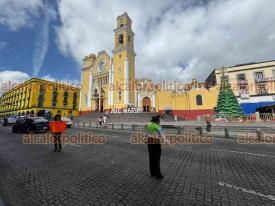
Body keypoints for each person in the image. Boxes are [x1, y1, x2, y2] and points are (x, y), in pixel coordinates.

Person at [146, 115, 170, 179]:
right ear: (156, 121)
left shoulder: (149, 125)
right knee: (157, 158)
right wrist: (167, 141)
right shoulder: (157, 126)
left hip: (149, 141)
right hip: (156, 142)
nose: (159, 121)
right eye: (159, 120)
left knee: (151, 157)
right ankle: (158, 174)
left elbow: (146, 133)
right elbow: (162, 135)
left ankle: (152, 173)